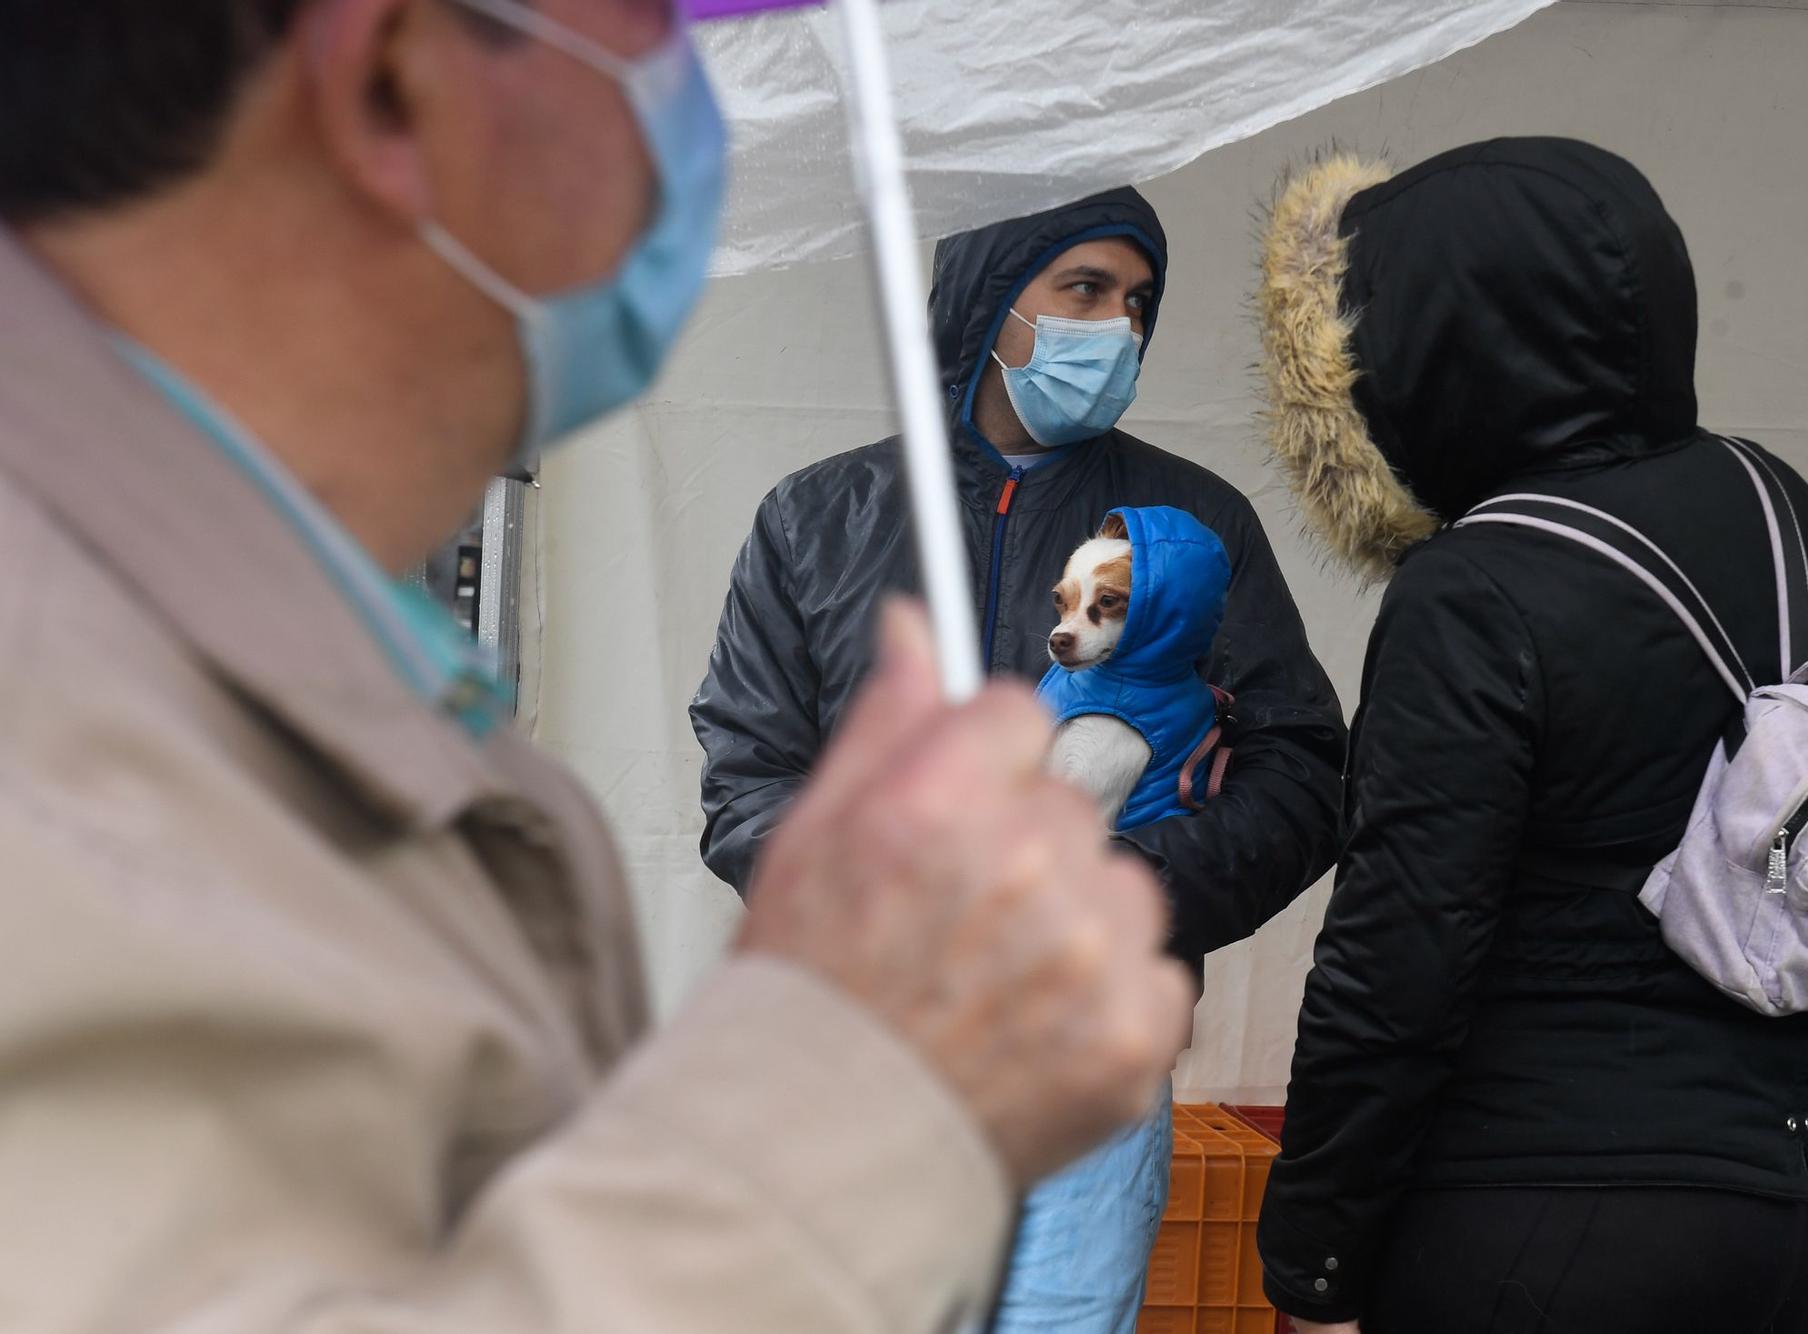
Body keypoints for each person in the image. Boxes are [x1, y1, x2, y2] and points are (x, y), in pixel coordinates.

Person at [0, 3, 1195, 1330]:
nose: (689, 122)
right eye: (645, 44)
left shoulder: (311, 667)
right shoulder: (56, 709)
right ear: (400, 78)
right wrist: (865, 1056)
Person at [691, 189, 1348, 1329]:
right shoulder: (816, 518)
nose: (1120, 329)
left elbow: (1298, 776)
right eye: (1083, 291)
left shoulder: (1189, 528)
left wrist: (1126, 890)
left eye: (1137, 301)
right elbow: (746, 777)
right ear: (990, 303)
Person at [1252, 138, 1808, 1334]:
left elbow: (1398, 960)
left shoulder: (1473, 584)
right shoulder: (1782, 506)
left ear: (1442, 344)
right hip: (1794, 1197)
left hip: (1547, 1211)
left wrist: (1310, 1260)